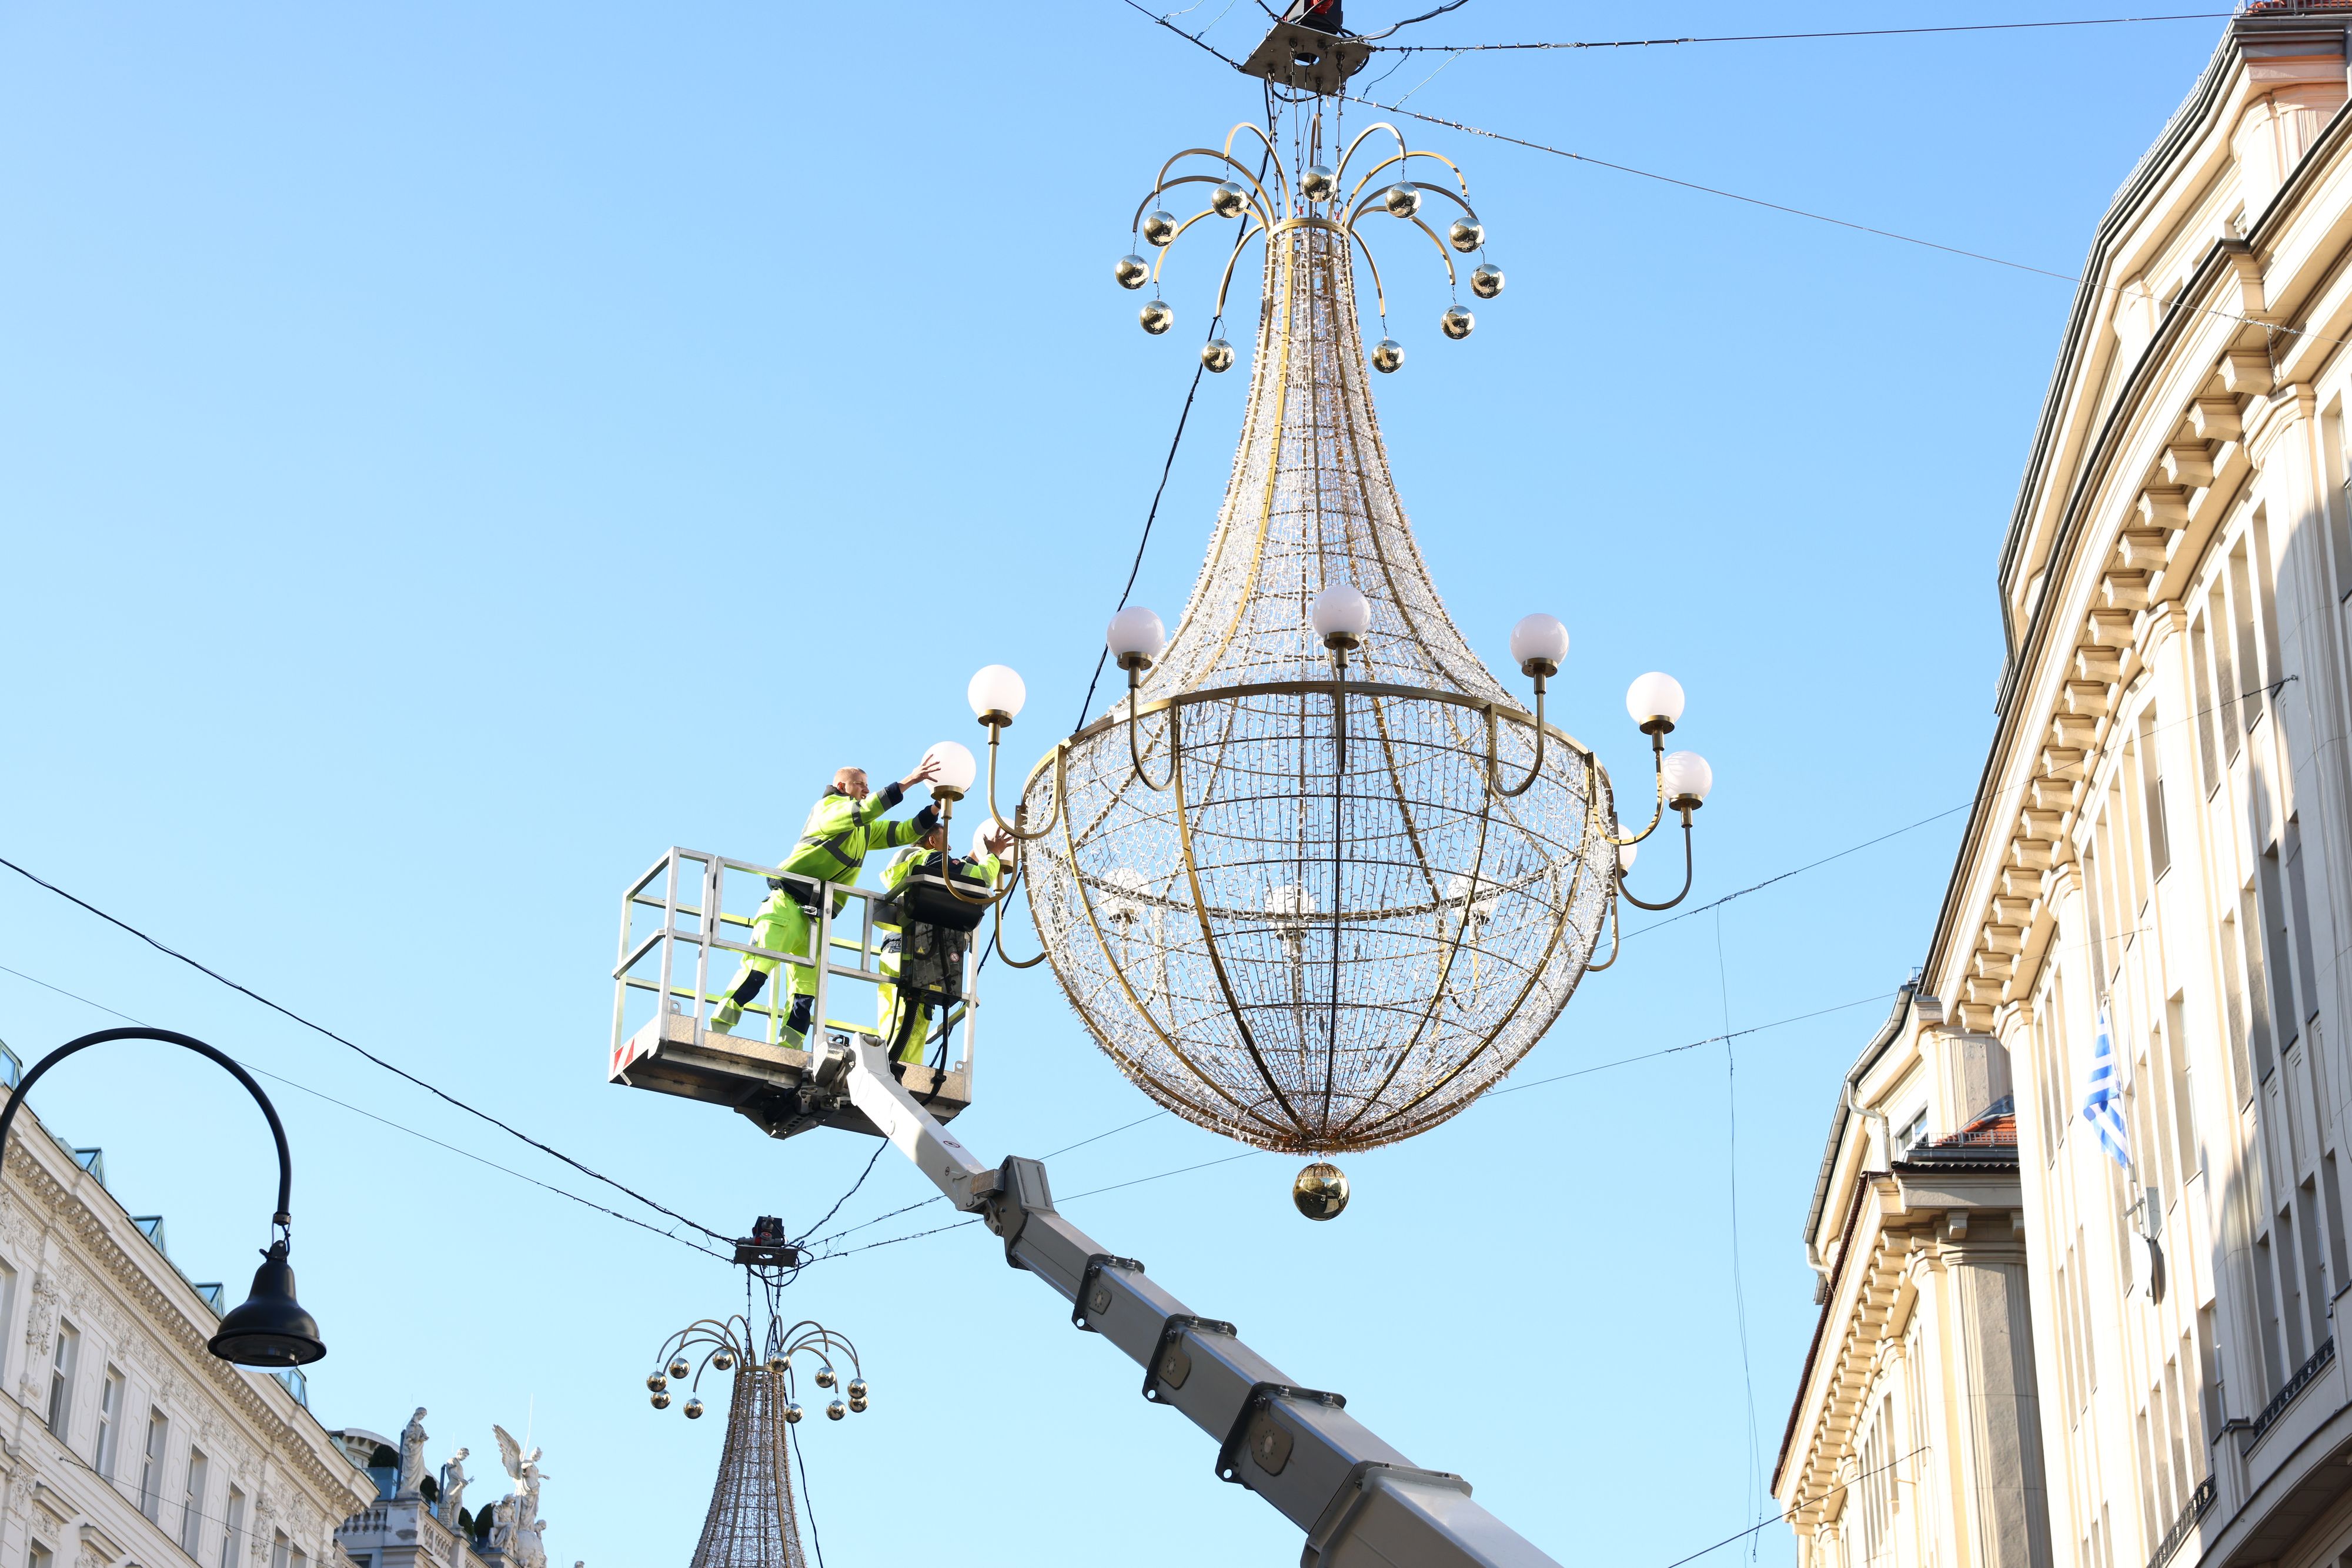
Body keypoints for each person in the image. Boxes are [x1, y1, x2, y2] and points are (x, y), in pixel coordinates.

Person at [711, 758, 943, 1039]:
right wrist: (910, 781)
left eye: (868, 786)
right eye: (861, 785)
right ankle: (719, 1028)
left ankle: (790, 1050)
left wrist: (936, 808)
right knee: (758, 969)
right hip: (787, 904)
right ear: (842, 786)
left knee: (806, 991)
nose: (866, 790)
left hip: (817, 917)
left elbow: (901, 832)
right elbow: (865, 811)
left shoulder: (862, 829)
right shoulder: (828, 809)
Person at [873, 820, 1012, 1064]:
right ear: (932, 841)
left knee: (898, 1017)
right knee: (912, 1021)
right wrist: (994, 855)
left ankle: (895, 1068)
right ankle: (898, 1072)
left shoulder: (907, 862)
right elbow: (981, 878)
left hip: (895, 948)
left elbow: (952, 873)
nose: (949, 851)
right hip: (919, 948)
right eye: (946, 844)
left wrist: (971, 857)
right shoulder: (931, 859)